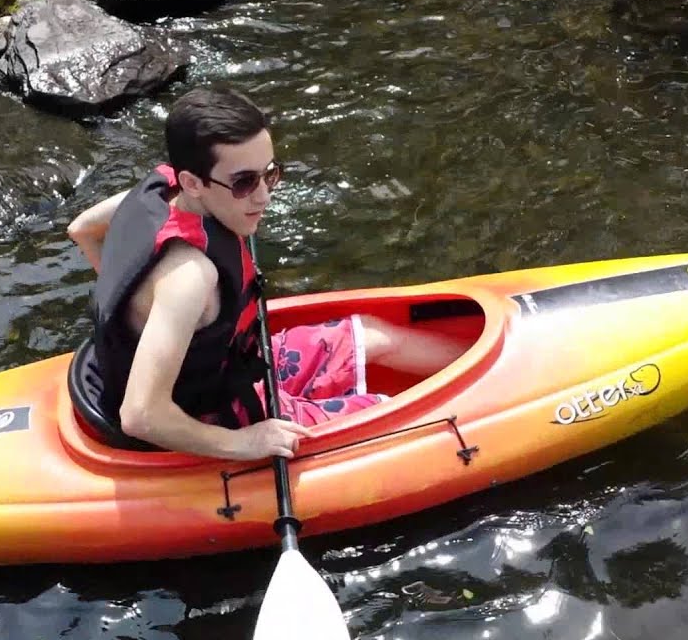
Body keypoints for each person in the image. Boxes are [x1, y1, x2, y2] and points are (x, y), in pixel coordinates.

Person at [68, 85, 467, 461]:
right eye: (243, 183)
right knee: (395, 416)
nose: (264, 196)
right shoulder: (189, 279)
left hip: (232, 366)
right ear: (194, 182)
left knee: (374, 334)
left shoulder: (162, 187)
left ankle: (486, 370)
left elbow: (82, 229)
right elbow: (139, 416)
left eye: (269, 173)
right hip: (213, 412)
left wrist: (132, 314)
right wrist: (243, 443)